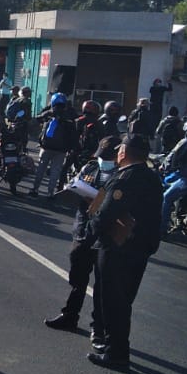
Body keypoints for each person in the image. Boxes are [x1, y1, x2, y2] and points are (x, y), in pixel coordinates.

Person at [87, 134, 162, 369]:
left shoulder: (126, 178)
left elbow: (107, 212)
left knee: (114, 301)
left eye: (120, 149)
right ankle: (116, 348)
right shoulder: (151, 177)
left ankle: (116, 353)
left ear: (124, 152)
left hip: (118, 248)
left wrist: (91, 227)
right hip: (140, 247)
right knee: (124, 300)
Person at [44, 135, 122, 337]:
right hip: (83, 232)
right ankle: (70, 315)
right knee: (78, 279)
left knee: (103, 284)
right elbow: (75, 186)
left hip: (105, 236)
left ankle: (98, 327)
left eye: (108, 156)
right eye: (101, 156)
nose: (103, 160)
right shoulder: (90, 168)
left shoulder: (123, 175)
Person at [31, 92, 78, 199]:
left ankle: (35, 189)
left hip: (46, 147)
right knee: (55, 171)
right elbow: (73, 133)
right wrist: (72, 148)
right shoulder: (69, 115)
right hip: (61, 149)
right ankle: (50, 193)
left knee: (41, 169)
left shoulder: (49, 113)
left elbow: (36, 120)